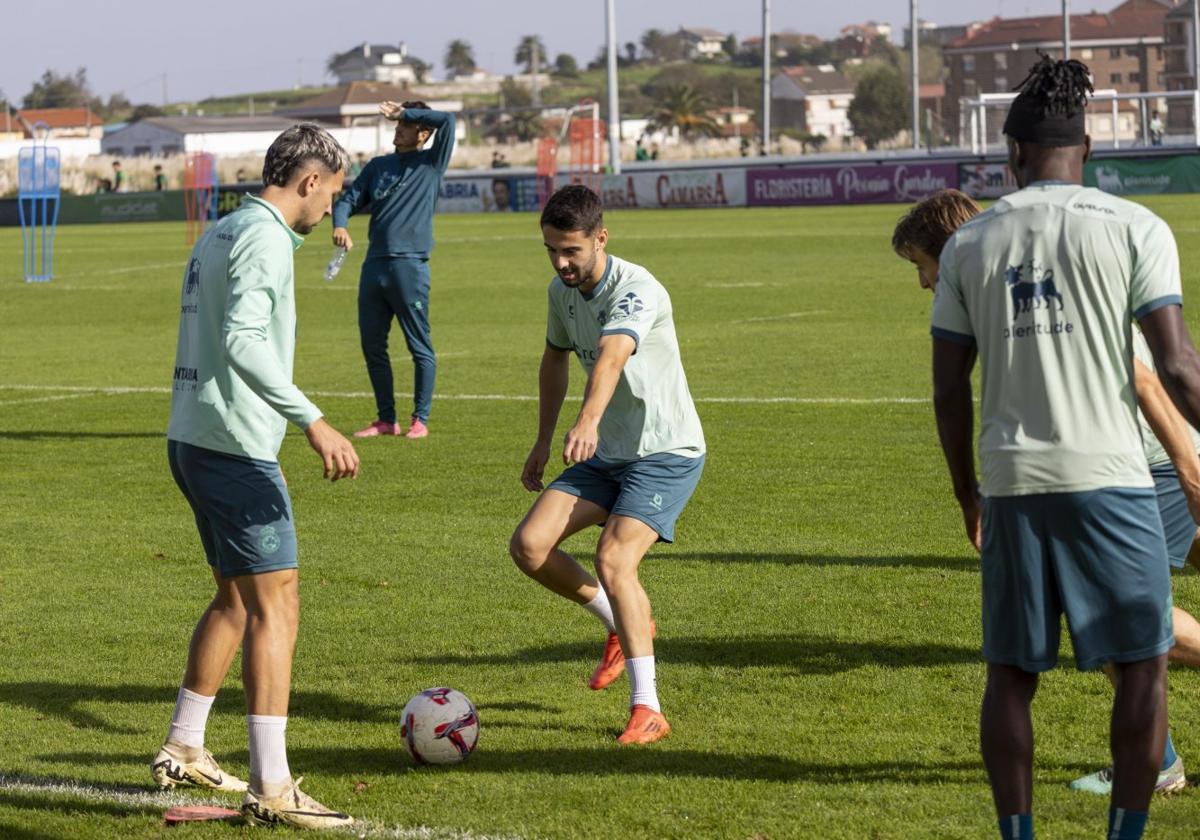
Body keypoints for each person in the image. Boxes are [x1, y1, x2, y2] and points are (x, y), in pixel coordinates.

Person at [931, 56, 1200, 840]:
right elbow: (1177, 366)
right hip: (1113, 483)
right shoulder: (1136, 228)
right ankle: (1126, 834)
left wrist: (965, 493)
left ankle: (1019, 835)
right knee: (1142, 667)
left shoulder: (967, 245)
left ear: (1011, 155)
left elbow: (949, 389)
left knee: (1011, 675)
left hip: (1012, 485)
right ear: (1086, 152)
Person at [154, 123, 360, 830]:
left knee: (237, 600)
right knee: (278, 603)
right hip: (233, 447)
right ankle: (272, 785)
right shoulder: (267, 237)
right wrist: (314, 420)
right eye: (332, 193)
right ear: (309, 181)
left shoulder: (223, 229)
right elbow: (241, 338)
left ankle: (185, 743)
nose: (330, 208)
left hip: (193, 435)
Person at [508, 185, 705, 745]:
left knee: (615, 559)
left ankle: (649, 708)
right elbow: (554, 358)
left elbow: (614, 353)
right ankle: (623, 623)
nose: (561, 262)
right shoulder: (559, 291)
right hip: (607, 453)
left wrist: (588, 420)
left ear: (601, 238)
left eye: (571, 250)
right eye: (551, 250)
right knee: (530, 546)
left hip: (664, 452)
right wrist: (544, 439)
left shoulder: (638, 290)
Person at [332, 100, 456, 440]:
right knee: (372, 345)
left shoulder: (432, 162)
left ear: (423, 133)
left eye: (404, 125)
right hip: (374, 266)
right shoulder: (378, 166)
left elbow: (448, 119)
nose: (397, 129)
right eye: (397, 123)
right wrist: (341, 225)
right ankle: (386, 420)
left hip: (409, 267)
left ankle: (421, 419)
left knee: (419, 346)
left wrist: (407, 112)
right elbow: (347, 200)